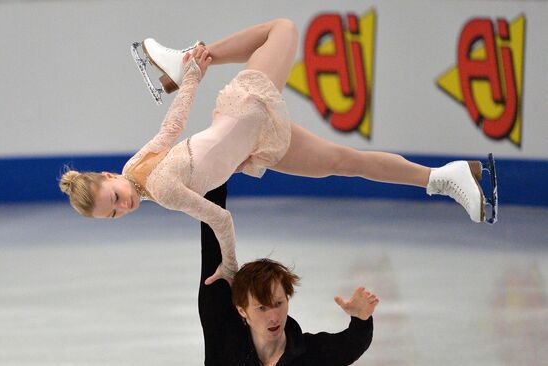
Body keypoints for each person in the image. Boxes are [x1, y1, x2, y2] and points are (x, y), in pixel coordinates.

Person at [59, 19, 489, 284]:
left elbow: (220, 218)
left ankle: (189, 55)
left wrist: (230, 268)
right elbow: (172, 129)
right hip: (254, 141)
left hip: (245, 110)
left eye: (115, 199)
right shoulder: (136, 171)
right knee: (345, 162)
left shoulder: (158, 186)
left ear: (110, 176)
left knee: (281, 29)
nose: (125, 206)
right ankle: (443, 178)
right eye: (114, 214)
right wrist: (190, 81)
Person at [199, 183, 378, 365]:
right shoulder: (223, 341)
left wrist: (360, 319)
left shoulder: (310, 353)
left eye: (278, 303)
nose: (274, 317)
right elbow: (212, 232)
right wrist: (215, 172)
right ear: (242, 310)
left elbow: (350, 345)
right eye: (262, 308)